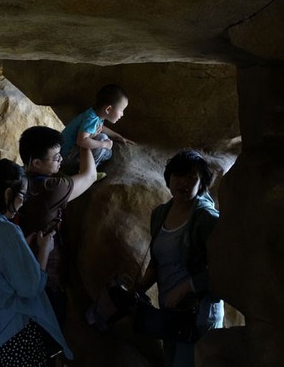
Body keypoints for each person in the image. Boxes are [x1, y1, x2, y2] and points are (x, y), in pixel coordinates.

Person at [0, 159, 73, 366]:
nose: (22, 203)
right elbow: (31, 287)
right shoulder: (6, 230)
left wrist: (23, 249)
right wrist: (44, 250)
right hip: (14, 332)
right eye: (22, 196)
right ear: (7, 194)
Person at [138, 149, 224, 367]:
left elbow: (224, 269)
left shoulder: (206, 218)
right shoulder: (160, 214)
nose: (183, 183)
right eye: (177, 176)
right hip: (171, 313)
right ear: (168, 178)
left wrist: (186, 287)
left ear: (202, 182)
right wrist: (135, 290)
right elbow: (158, 262)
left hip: (199, 314)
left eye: (191, 178)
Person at [16, 125, 97, 327]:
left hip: (18, 271)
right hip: (47, 275)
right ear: (36, 162)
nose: (61, 159)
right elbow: (89, 175)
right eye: (56, 157)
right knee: (48, 333)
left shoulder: (18, 180)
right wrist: (85, 144)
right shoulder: (52, 187)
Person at [60, 84, 135, 178]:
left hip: (65, 155)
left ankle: (80, 168)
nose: (122, 114)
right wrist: (104, 144)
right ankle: (87, 173)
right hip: (66, 157)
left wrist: (118, 137)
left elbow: (101, 128)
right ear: (108, 109)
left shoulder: (93, 114)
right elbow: (81, 141)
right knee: (102, 139)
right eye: (121, 110)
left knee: (107, 153)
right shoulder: (91, 119)